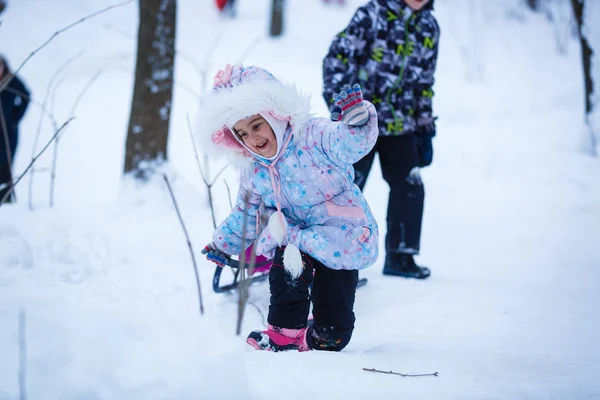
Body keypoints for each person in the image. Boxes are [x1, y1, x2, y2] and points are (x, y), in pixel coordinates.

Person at [198, 63, 379, 352]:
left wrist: (356, 124)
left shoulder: (313, 135)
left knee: (334, 333)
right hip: (294, 237)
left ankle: (317, 336)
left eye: (256, 125)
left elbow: (347, 144)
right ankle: (283, 333)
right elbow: (246, 214)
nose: (253, 139)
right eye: (243, 133)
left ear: (276, 115)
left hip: (339, 235)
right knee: (285, 269)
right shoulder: (253, 169)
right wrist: (223, 244)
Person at [322, 0, 439, 279]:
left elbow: (425, 81)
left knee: (409, 184)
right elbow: (337, 58)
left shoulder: (429, 27)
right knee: (344, 188)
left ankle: (400, 256)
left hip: (401, 125)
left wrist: (424, 126)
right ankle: (331, 259)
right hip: (360, 121)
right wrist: (344, 108)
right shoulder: (371, 15)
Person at [0, 55, 30, 204]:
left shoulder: (12, 81)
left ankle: (6, 198)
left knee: (6, 162)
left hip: (8, 131)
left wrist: (16, 116)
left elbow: (26, 96)